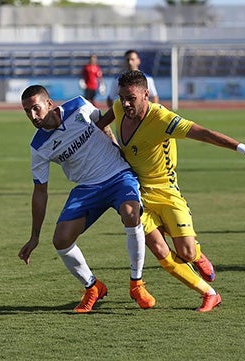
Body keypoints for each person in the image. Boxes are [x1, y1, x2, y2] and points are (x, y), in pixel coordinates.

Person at [98, 70, 245, 312]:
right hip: (136, 194)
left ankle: (197, 255)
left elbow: (203, 133)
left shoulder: (162, 119)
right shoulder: (118, 108)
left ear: (146, 94)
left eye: (131, 98)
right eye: (122, 97)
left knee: (186, 252)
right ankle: (209, 294)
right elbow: (99, 126)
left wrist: (242, 148)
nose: (125, 103)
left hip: (167, 192)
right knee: (160, 250)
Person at [17, 85, 155, 313]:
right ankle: (93, 287)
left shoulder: (79, 105)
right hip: (87, 188)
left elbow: (102, 123)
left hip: (118, 175)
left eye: (36, 108)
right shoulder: (38, 146)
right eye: (27, 111)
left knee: (131, 214)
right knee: (61, 240)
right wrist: (34, 237)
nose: (32, 116)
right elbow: (40, 191)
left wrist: (116, 147)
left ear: (50, 104)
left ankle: (136, 283)